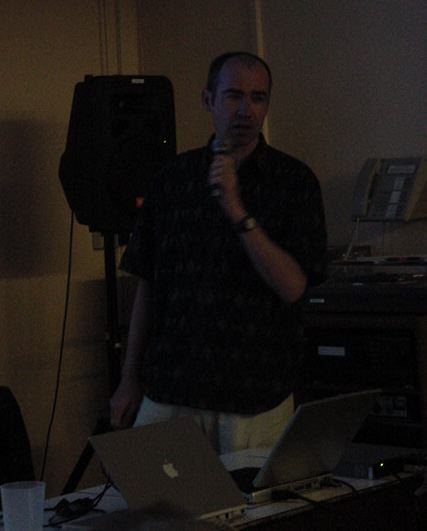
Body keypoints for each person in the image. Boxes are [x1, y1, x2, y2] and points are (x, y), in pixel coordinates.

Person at [110, 51, 327, 454]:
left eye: (257, 98)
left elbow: (293, 287)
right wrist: (128, 378)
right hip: (171, 388)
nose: (246, 109)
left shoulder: (294, 182)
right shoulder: (172, 179)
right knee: (147, 492)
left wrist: (236, 210)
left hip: (252, 396)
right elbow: (149, 286)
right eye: (233, 96)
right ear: (208, 99)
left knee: (247, 496)